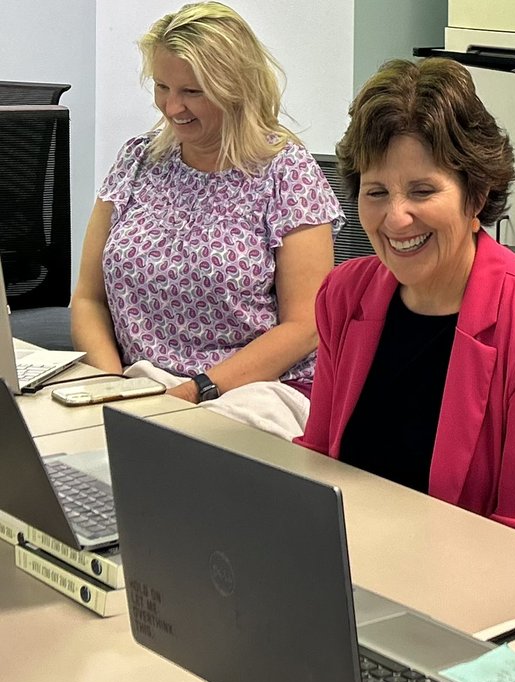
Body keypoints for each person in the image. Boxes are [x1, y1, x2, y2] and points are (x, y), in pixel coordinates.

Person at [294, 58, 515, 560]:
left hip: (505, 592)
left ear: (476, 194)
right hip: (367, 574)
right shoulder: (342, 296)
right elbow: (323, 468)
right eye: (376, 192)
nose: (396, 218)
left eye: (422, 190)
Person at [71, 1, 342, 437]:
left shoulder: (286, 172)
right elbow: (88, 299)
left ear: (235, 87)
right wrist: (109, 388)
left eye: (193, 92)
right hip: (140, 386)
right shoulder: (137, 161)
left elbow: (305, 326)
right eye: (162, 87)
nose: (172, 107)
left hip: (256, 390)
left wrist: (191, 392)